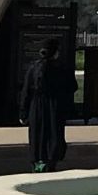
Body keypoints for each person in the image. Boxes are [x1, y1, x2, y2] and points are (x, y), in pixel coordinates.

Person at [20, 38, 74, 172]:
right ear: (56, 52)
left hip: (36, 106)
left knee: (38, 134)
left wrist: (23, 112)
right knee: (54, 133)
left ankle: (37, 162)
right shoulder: (61, 68)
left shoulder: (33, 68)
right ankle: (51, 162)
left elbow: (26, 92)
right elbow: (72, 86)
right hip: (54, 106)